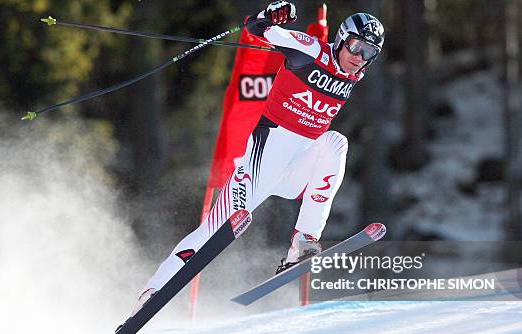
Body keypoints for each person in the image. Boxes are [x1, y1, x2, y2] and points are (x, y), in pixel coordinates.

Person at [127, 1, 385, 317]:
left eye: (369, 53)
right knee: (212, 231)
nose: (359, 58)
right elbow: (257, 30)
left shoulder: (353, 75)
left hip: (295, 171)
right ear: (343, 38)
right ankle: (154, 289)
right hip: (257, 169)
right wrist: (268, 18)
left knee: (335, 143)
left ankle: (303, 241)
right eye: (357, 46)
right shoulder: (311, 50)